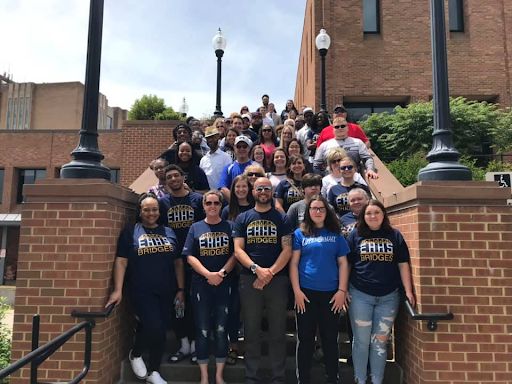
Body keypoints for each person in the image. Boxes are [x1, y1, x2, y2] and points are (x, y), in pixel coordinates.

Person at [106, 192, 181, 384]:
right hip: (141, 290)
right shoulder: (131, 231)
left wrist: (181, 289)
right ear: (140, 211)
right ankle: (136, 352)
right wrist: (118, 289)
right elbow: (121, 262)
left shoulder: (168, 231)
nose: (151, 213)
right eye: (146, 209)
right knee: (154, 326)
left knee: (161, 329)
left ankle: (154, 371)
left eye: (154, 209)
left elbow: (178, 263)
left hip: (166, 290)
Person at [346, 200, 415, 384]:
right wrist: (343, 288)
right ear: (363, 216)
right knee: (361, 342)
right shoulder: (355, 235)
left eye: (376, 212)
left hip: (388, 297)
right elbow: (347, 264)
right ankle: (360, 380)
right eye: (368, 213)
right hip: (360, 294)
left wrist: (408, 291)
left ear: (383, 214)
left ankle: (377, 380)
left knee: (380, 342)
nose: (373, 216)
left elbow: (402, 264)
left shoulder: (395, 235)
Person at [233, 177, 293, 384]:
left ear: (272, 192)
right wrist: (256, 270)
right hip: (250, 280)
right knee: (251, 331)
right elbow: (238, 249)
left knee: (277, 331)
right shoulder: (243, 218)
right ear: (253, 191)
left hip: (277, 281)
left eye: (267, 188)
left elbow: (287, 249)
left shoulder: (282, 218)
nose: (263, 191)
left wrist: (270, 273)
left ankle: (278, 376)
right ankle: (252, 376)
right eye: (259, 188)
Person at [290, 195, 349, 384]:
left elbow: (343, 264)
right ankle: (303, 379)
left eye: (321, 209)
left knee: (330, 339)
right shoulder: (300, 234)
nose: (317, 212)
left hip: (331, 295)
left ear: (327, 211)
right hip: (306, 294)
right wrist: (297, 291)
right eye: (314, 208)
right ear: (308, 212)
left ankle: (332, 378)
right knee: (305, 340)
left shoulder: (336, 234)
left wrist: (341, 291)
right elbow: (294, 264)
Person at [184, 190, 236, 384]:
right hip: (201, 286)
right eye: (209, 203)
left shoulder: (229, 227)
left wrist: (221, 274)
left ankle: (219, 375)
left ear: (221, 206)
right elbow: (189, 256)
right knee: (203, 330)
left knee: (222, 329)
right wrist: (208, 275)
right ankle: (204, 377)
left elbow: (235, 254)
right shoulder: (195, 228)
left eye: (216, 203)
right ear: (204, 206)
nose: (213, 206)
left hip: (223, 284)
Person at [159, 165, 205, 365]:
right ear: (166, 181)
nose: (173, 179)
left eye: (176, 175)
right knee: (178, 304)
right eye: (169, 177)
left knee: (195, 304)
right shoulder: (163, 203)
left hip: (195, 260)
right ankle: (183, 343)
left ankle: (195, 345)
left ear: (183, 177)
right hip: (172, 262)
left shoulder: (196, 200)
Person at [218, 135, 254, 201]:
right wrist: (236, 203)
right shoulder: (228, 168)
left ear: (249, 148)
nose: (241, 149)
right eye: (238, 146)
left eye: (244, 146)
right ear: (234, 148)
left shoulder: (256, 167)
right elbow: (223, 188)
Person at [200, 126, 233, 192]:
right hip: (207, 197)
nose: (210, 140)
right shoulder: (203, 160)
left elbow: (230, 178)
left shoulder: (226, 157)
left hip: (222, 196)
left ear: (217, 137)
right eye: (208, 138)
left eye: (212, 137)